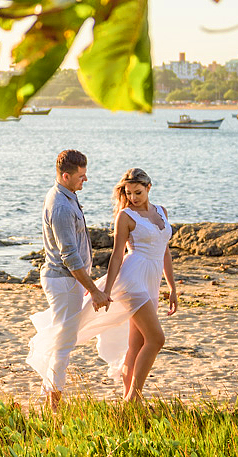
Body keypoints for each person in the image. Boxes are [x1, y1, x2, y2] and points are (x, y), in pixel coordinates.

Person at [27, 165, 178, 405]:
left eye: (138, 192)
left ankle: (130, 399)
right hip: (132, 280)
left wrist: (172, 288)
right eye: (128, 193)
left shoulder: (161, 212)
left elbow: (165, 252)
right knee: (156, 339)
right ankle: (133, 400)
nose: (133, 197)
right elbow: (116, 256)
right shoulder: (125, 216)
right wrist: (106, 291)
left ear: (149, 188)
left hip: (151, 280)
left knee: (137, 344)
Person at [26, 149, 111, 410]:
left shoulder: (67, 196)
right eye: (81, 176)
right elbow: (70, 256)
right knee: (64, 344)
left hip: (68, 281)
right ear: (66, 176)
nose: (85, 179)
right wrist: (93, 289)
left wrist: (84, 282)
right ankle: (54, 405)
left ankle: (50, 397)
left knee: (63, 339)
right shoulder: (61, 206)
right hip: (63, 281)